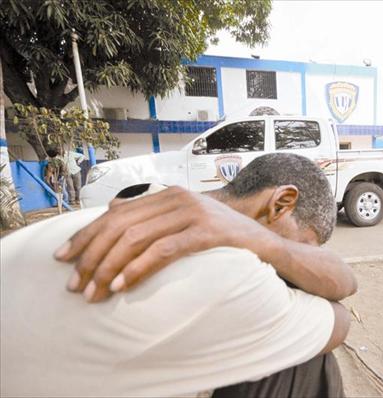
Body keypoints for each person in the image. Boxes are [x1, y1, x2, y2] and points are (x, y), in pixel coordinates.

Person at [1, 153, 354, 397]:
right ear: (280, 204)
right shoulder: (231, 272)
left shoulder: (137, 203)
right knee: (307, 362)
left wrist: (264, 240)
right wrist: (269, 249)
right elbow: (341, 316)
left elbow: (345, 277)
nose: (297, 270)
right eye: (304, 245)